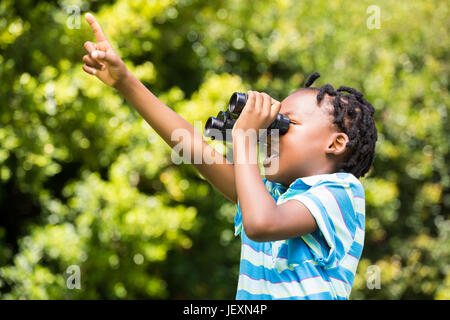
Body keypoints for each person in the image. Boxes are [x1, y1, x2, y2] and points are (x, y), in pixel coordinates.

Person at [81, 13, 378, 300]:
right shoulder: (269, 195)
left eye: (285, 125)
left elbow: (262, 224)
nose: (271, 134)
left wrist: (244, 137)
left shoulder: (342, 193)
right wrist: (125, 82)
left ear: (336, 143)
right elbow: (192, 147)